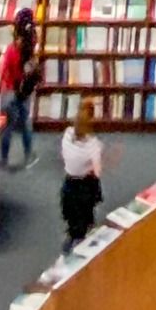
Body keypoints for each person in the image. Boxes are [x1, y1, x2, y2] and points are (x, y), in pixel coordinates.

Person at [60, 98, 105, 246]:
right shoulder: (93, 145)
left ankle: (72, 234)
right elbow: (97, 172)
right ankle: (86, 230)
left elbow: (65, 155)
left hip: (68, 185)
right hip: (84, 188)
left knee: (73, 218)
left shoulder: (67, 134)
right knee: (92, 182)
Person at [0, 7, 40, 167]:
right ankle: (29, 155)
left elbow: (4, 70)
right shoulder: (31, 47)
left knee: (7, 127)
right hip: (25, 91)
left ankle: (4, 158)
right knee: (25, 123)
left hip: (9, 90)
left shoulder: (11, 50)